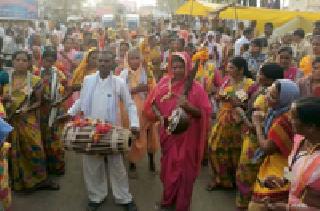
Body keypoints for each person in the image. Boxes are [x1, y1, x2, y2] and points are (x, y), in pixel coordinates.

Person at [68, 50, 139, 211]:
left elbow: (130, 104)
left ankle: (123, 197)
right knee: (92, 166)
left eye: (106, 61)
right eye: (100, 61)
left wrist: (135, 124)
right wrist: (69, 114)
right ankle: (96, 197)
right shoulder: (88, 80)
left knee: (117, 166)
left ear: (113, 63)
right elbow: (81, 100)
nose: (103, 64)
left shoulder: (119, 82)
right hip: (90, 129)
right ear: (96, 62)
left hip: (112, 130)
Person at [144, 52, 211, 211]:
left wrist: (187, 106)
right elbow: (152, 103)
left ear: (188, 67)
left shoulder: (197, 88)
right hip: (168, 134)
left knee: (184, 174)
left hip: (188, 138)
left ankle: (182, 205)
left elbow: (204, 114)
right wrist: (161, 117)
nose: (177, 70)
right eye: (174, 67)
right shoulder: (163, 83)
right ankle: (168, 199)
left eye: (181, 67)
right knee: (168, 171)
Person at [2, 51, 59, 191]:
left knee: (35, 148)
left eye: (24, 60)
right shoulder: (5, 79)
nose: (20, 63)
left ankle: (40, 179)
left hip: (28, 119)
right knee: (13, 149)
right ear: (13, 61)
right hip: (9, 119)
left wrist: (27, 108)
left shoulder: (35, 80)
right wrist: (5, 100)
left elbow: (39, 102)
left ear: (29, 63)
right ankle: (17, 180)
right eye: (18, 59)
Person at [235, 63, 284, 210]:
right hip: (256, 142)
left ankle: (244, 205)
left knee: (246, 175)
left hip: (256, 144)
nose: (257, 74)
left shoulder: (265, 98)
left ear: (269, 78)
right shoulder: (266, 92)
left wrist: (240, 112)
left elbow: (254, 124)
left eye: (261, 73)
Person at [248, 79, 300, 210]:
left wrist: (258, 124)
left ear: (284, 99)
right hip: (287, 165)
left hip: (282, 166)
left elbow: (266, 147)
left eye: (272, 96)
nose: (267, 97)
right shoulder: (278, 113)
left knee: (260, 203)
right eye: (268, 92)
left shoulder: (284, 120)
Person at [264, 97, 320, 210]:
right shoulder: (299, 140)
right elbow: (294, 169)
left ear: (310, 127)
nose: (289, 119)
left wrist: (288, 208)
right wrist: (282, 180)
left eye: (294, 117)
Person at [208, 57, 254, 189]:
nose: (228, 70)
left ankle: (235, 180)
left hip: (239, 121)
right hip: (224, 118)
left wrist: (237, 103)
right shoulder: (227, 80)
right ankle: (222, 179)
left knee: (236, 151)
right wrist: (219, 97)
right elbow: (219, 95)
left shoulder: (249, 84)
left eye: (231, 67)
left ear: (241, 70)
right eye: (228, 67)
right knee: (215, 147)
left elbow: (249, 104)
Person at [119, 48, 158, 174]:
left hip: (146, 109)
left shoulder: (147, 72)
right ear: (127, 60)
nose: (135, 61)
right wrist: (135, 89)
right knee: (133, 134)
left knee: (149, 133)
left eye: (137, 58)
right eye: (132, 58)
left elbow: (155, 89)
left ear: (141, 59)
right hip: (129, 110)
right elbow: (120, 92)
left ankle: (151, 160)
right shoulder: (124, 74)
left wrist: (148, 88)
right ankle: (132, 162)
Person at [39, 49, 66, 175]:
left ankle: (57, 165)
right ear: (42, 60)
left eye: (51, 61)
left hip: (55, 109)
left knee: (54, 137)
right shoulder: (36, 73)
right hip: (40, 109)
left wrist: (59, 100)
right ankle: (46, 165)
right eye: (46, 60)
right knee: (43, 136)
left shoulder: (59, 75)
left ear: (54, 62)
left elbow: (67, 90)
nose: (48, 63)